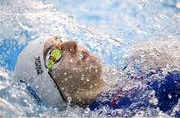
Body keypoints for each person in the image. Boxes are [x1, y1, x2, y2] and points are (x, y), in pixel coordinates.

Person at [14, 36, 180, 117]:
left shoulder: (134, 70)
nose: (72, 44)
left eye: (61, 40)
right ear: (50, 87)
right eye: (54, 53)